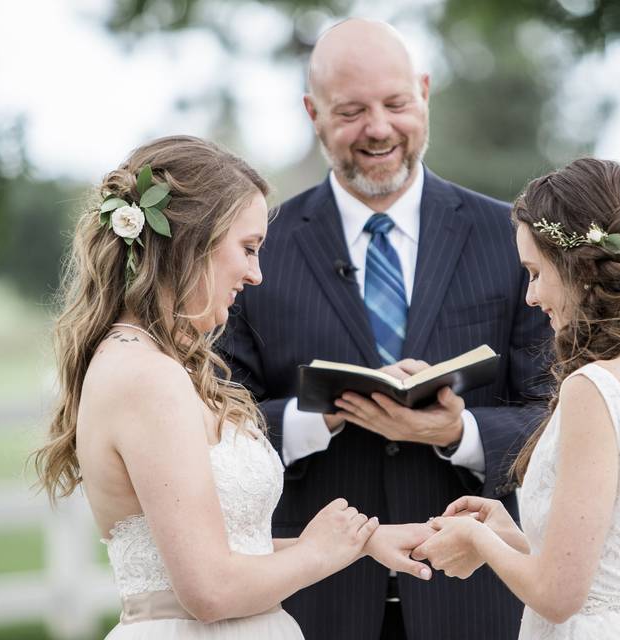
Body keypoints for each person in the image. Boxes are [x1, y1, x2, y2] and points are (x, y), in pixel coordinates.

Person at [219, 18, 552, 640]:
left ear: (424, 92)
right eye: (351, 111)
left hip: (479, 602)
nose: (378, 128)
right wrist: (317, 416)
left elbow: (556, 412)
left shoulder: (509, 238)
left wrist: (459, 429)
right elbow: (212, 421)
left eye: (396, 103)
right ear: (312, 112)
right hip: (314, 605)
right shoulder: (255, 248)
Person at [32, 135, 432, 639]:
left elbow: (228, 555)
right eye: (248, 248)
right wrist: (315, 553)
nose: (256, 274)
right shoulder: (146, 377)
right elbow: (211, 591)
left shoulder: (152, 363)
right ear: (192, 242)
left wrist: (362, 541)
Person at [412, 158, 620, 638]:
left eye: (535, 273)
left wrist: (475, 537)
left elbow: (558, 597)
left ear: (579, 269)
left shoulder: (595, 390)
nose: (531, 296)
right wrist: (509, 537)